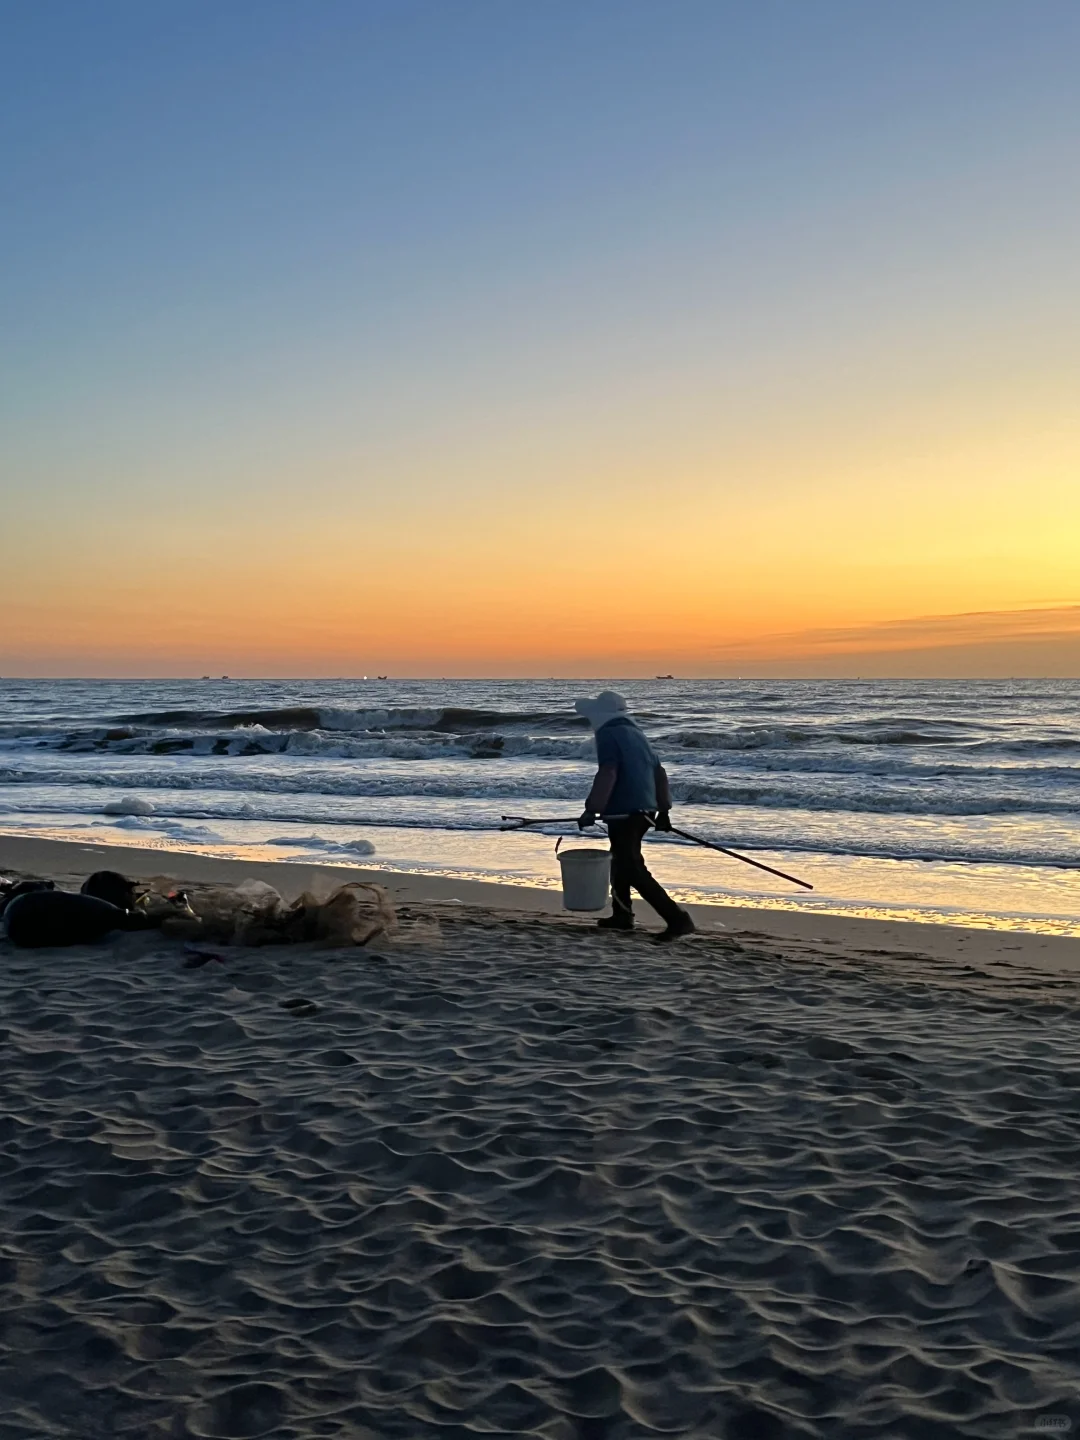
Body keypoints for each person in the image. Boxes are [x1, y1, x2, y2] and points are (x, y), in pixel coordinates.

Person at [574, 690, 695, 941]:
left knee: (631, 866)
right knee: (620, 860)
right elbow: (659, 772)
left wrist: (591, 808)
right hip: (645, 809)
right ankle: (622, 915)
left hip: (624, 810)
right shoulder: (638, 734)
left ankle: (677, 918)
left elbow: (608, 772)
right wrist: (663, 811)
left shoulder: (608, 734)